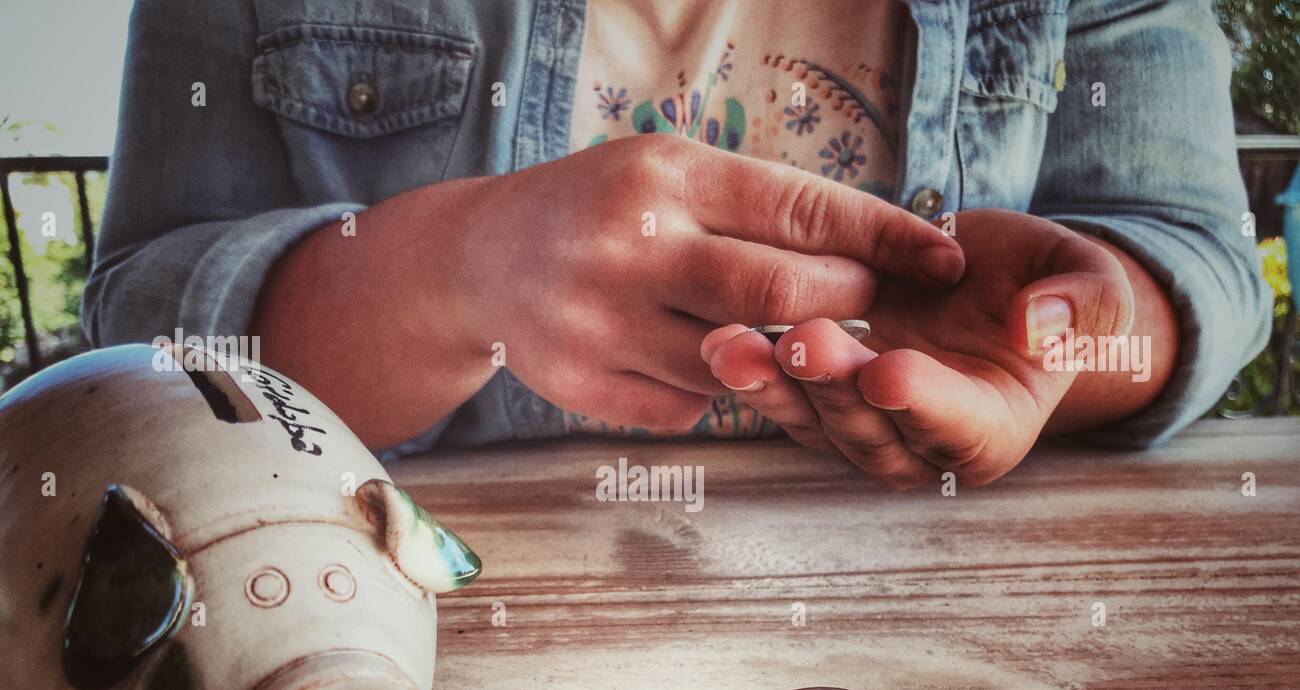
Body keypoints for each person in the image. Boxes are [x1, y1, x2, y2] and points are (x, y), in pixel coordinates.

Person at [85, 0, 1271, 489]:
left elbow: (1197, 260)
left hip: (954, 596)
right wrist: (449, 273)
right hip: (386, 611)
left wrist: (1052, 343)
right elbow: (140, 331)